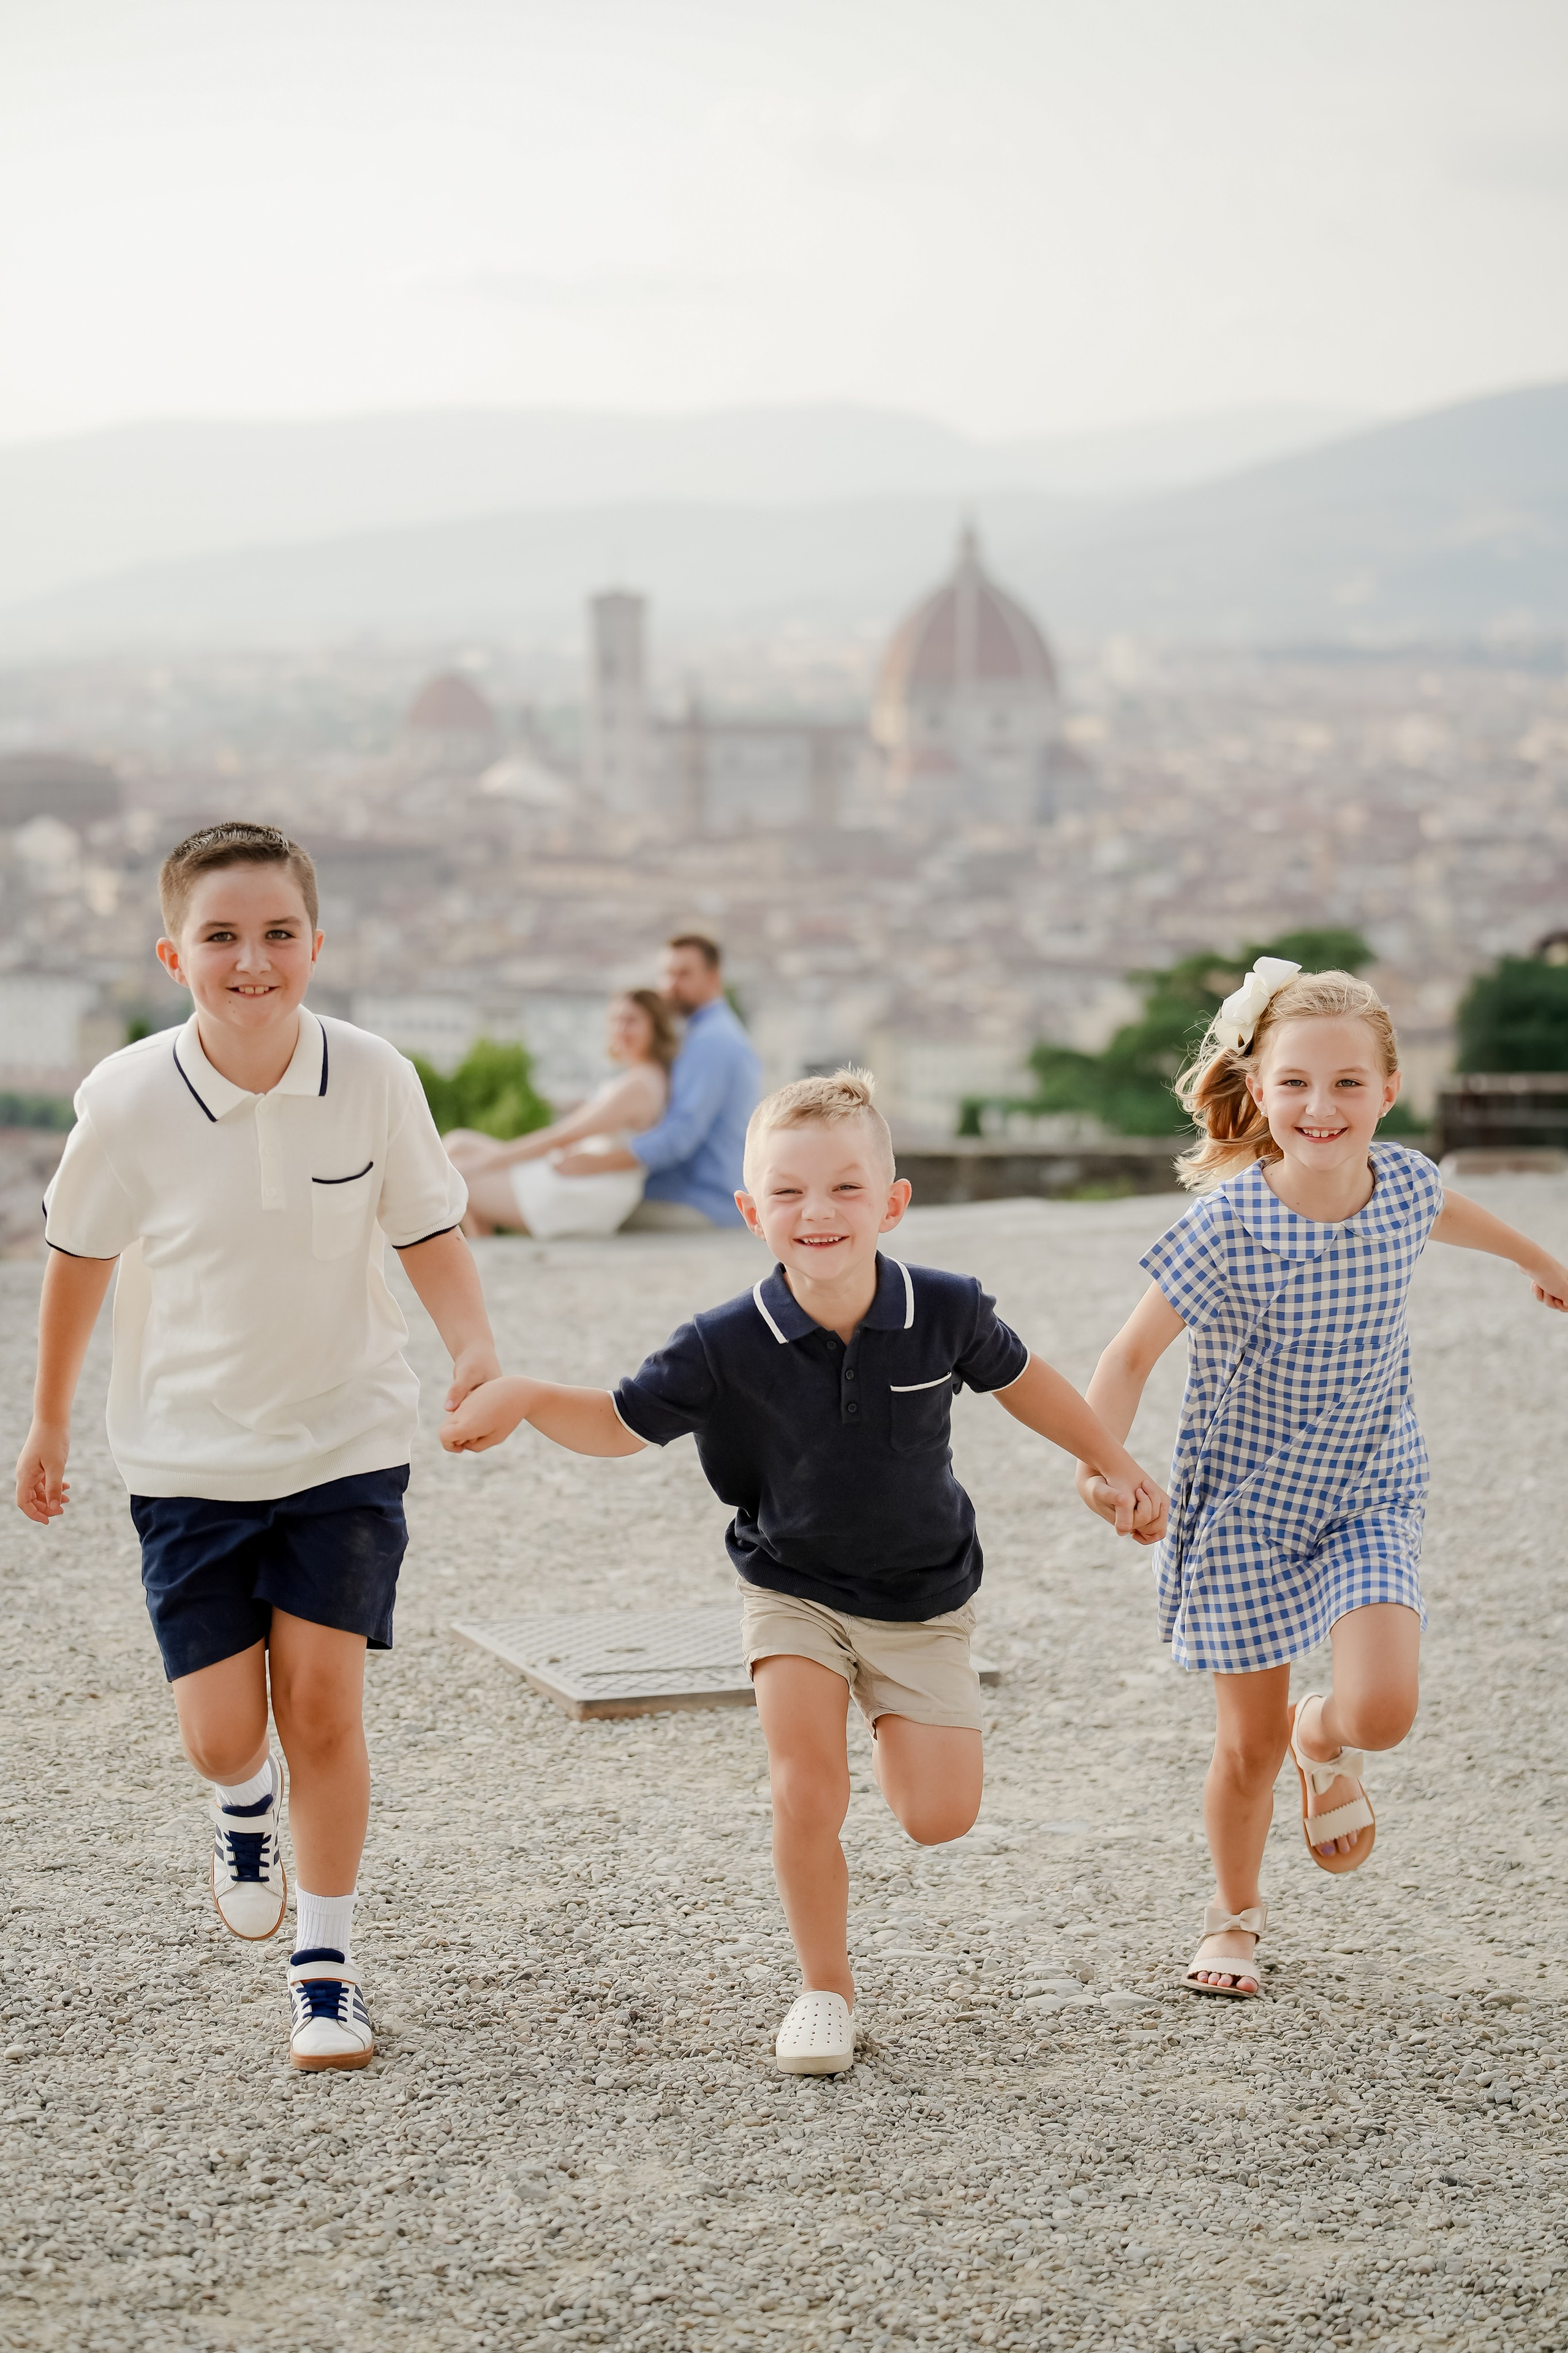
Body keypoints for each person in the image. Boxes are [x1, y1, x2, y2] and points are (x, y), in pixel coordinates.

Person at [439, 1068, 1167, 2075]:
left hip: (924, 1601)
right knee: (805, 1790)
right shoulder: (721, 1343)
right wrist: (521, 1394)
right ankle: (824, 1991)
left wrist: (1114, 1461)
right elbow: (615, 1424)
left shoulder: (946, 1310)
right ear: (751, 1212)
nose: (815, 1212)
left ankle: (889, 1718)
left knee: (937, 1816)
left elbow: (1027, 1383)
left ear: (892, 1203)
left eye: (843, 1188)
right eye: (786, 1192)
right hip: (791, 1588)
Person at [13, 821, 498, 2071]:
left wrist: (473, 1349)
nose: (251, 960)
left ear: (315, 945)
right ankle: (241, 1808)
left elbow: (430, 1230)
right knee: (225, 1732)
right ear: (174, 953)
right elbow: (77, 1263)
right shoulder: (124, 1101)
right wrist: (50, 1417)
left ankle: (325, 1970)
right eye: (222, 937)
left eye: (277, 933)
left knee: (326, 1708)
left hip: (346, 1437)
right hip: (186, 1459)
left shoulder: (375, 1074)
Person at [1077, 960, 1568, 2001]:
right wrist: (1106, 1465)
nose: (1322, 1106)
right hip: (1246, 1513)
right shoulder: (1228, 1225)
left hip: (1368, 1492)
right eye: (1297, 1082)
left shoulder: (1406, 1188)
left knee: (1382, 1710)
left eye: (1349, 1083)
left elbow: (1466, 1221)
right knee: (1245, 1747)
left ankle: (1327, 1735)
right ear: (1259, 1092)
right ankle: (1234, 1919)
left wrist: (1547, 1265)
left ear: (1390, 1092)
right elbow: (1124, 1362)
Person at [549, 932, 761, 1230]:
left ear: (714, 977)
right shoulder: (704, 1032)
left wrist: (597, 1163)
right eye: (667, 974)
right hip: (688, 1193)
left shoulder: (712, 1041)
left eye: (683, 975)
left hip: (698, 1201)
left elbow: (679, 1137)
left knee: (565, 1206)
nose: (670, 986)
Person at [443, 988, 677, 1239]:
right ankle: (480, 1237)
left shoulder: (639, 1085)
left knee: (452, 1175)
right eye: (615, 1020)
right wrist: (491, 1160)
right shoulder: (640, 1076)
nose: (620, 1029)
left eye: (631, 1021)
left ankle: (478, 1241)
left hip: (585, 1190)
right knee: (458, 1144)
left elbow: (562, 1136)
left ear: (655, 1027)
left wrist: (487, 1162)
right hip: (573, 1174)